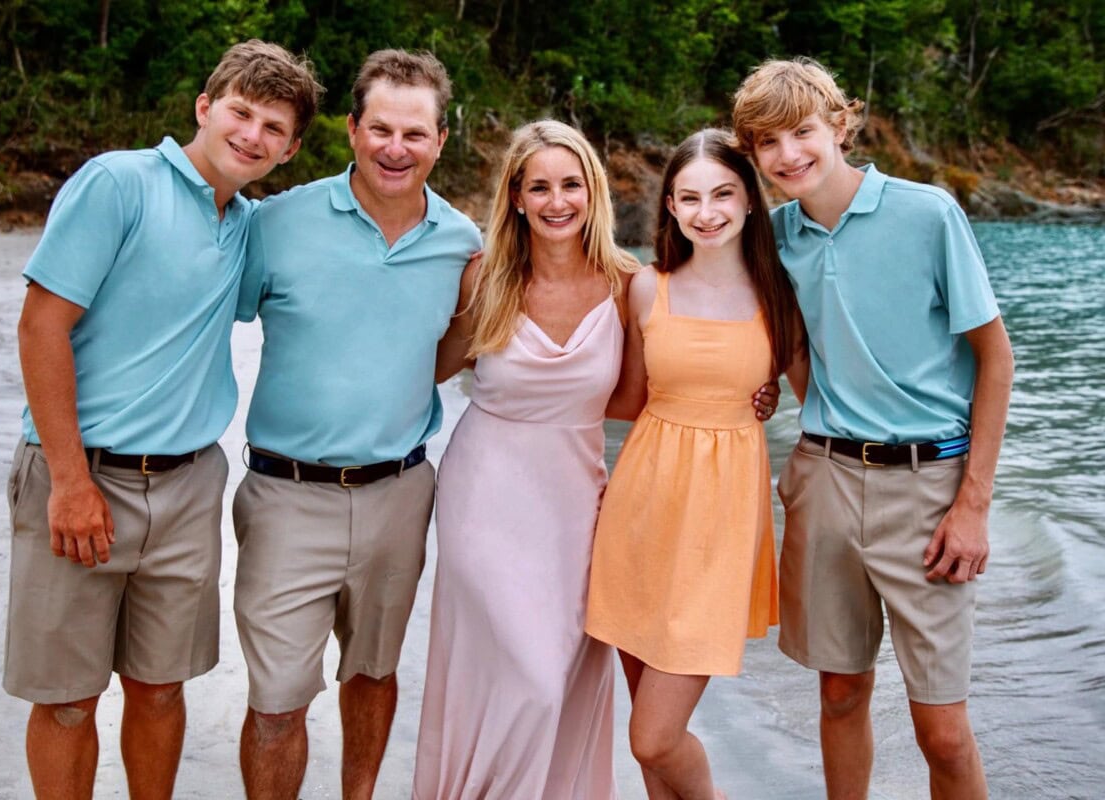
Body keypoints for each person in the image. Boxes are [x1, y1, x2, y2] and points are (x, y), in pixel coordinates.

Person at [5, 40, 320, 800]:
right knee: (70, 700)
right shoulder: (118, 183)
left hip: (187, 487)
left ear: (290, 149)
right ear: (205, 108)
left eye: (274, 128)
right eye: (241, 113)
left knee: (159, 688)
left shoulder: (247, 225)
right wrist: (71, 481)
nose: (252, 135)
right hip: (82, 471)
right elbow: (40, 328)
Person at [731, 58, 1014, 800]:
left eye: (802, 132)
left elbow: (996, 359)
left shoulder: (928, 214)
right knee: (840, 694)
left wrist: (973, 503)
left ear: (840, 125)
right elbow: (787, 343)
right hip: (824, 483)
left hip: (929, 491)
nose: (789, 155)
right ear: (753, 155)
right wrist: (780, 396)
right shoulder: (776, 238)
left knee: (943, 732)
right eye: (767, 144)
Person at [232, 49, 482, 800]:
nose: (394, 148)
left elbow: (456, 348)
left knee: (373, 674)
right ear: (351, 129)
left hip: (400, 494)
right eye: (380, 129)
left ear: (441, 140)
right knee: (278, 702)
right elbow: (195, 322)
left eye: (414, 133)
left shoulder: (462, 244)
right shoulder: (274, 225)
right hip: (285, 496)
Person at [412, 119, 637, 799]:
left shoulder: (628, 285)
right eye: (539, 186)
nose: (556, 200)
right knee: (529, 678)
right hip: (485, 495)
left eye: (571, 184)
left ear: (593, 193)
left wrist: (752, 394)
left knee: (564, 672)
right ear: (515, 197)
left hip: (577, 505)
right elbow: (422, 365)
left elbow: (640, 400)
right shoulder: (484, 278)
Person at [584, 128, 804, 800]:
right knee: (650, 745)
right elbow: (621, 397)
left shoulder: (781, 296)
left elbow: (823, 403)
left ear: (748, 199)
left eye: (723, 194)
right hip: (638, 516)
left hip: (722, 527)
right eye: (690, 198)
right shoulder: (646, 288)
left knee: (653, 736)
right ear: (671, 208)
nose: (707, 211)